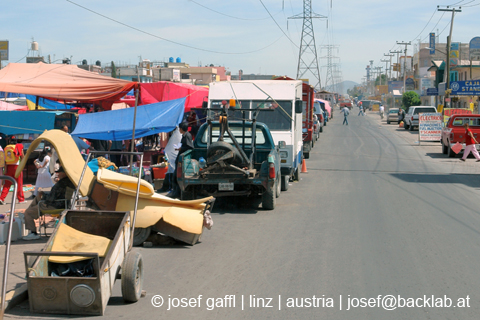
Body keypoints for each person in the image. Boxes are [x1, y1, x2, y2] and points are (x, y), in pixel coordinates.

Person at [22, 166, 75, 240]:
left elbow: (51, 199)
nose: (58, 174)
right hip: (62, 203)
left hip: (54, 205)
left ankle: (33, 231)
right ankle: (32, 213)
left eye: (59, 172)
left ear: (64, 173)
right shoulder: (67, 182)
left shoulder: (61, 184)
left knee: (28, 212)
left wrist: (43, 195)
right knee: (37, 198)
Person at [167, 122, 194, 198]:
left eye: (179, 128)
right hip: (179, 160)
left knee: (177, 177)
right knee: (175, 178)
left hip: (182, 161)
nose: (179, 129)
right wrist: (178, 147)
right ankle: (175, 193)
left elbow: (190, 147)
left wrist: (181, 148)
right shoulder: (184, 136)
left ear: (181, 129)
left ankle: (176, 194)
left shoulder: (187, 136)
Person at [0, 136, 25, 205]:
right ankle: (21, 199)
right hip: (16, 167)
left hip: (8, 167)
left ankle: (1, 198)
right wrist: (22, 166)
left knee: (7, 184)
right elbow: (23, 157)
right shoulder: (18, 146)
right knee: (19, 183)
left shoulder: (6, 148)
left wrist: (5, 169)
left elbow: (4, 160)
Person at [157, 128, 181, 193]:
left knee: (172, 172)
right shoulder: (177, 135)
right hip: (173, 159)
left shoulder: (178, 135)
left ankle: (169, 187)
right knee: (170, 171)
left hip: (175, 158)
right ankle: (166, 187)